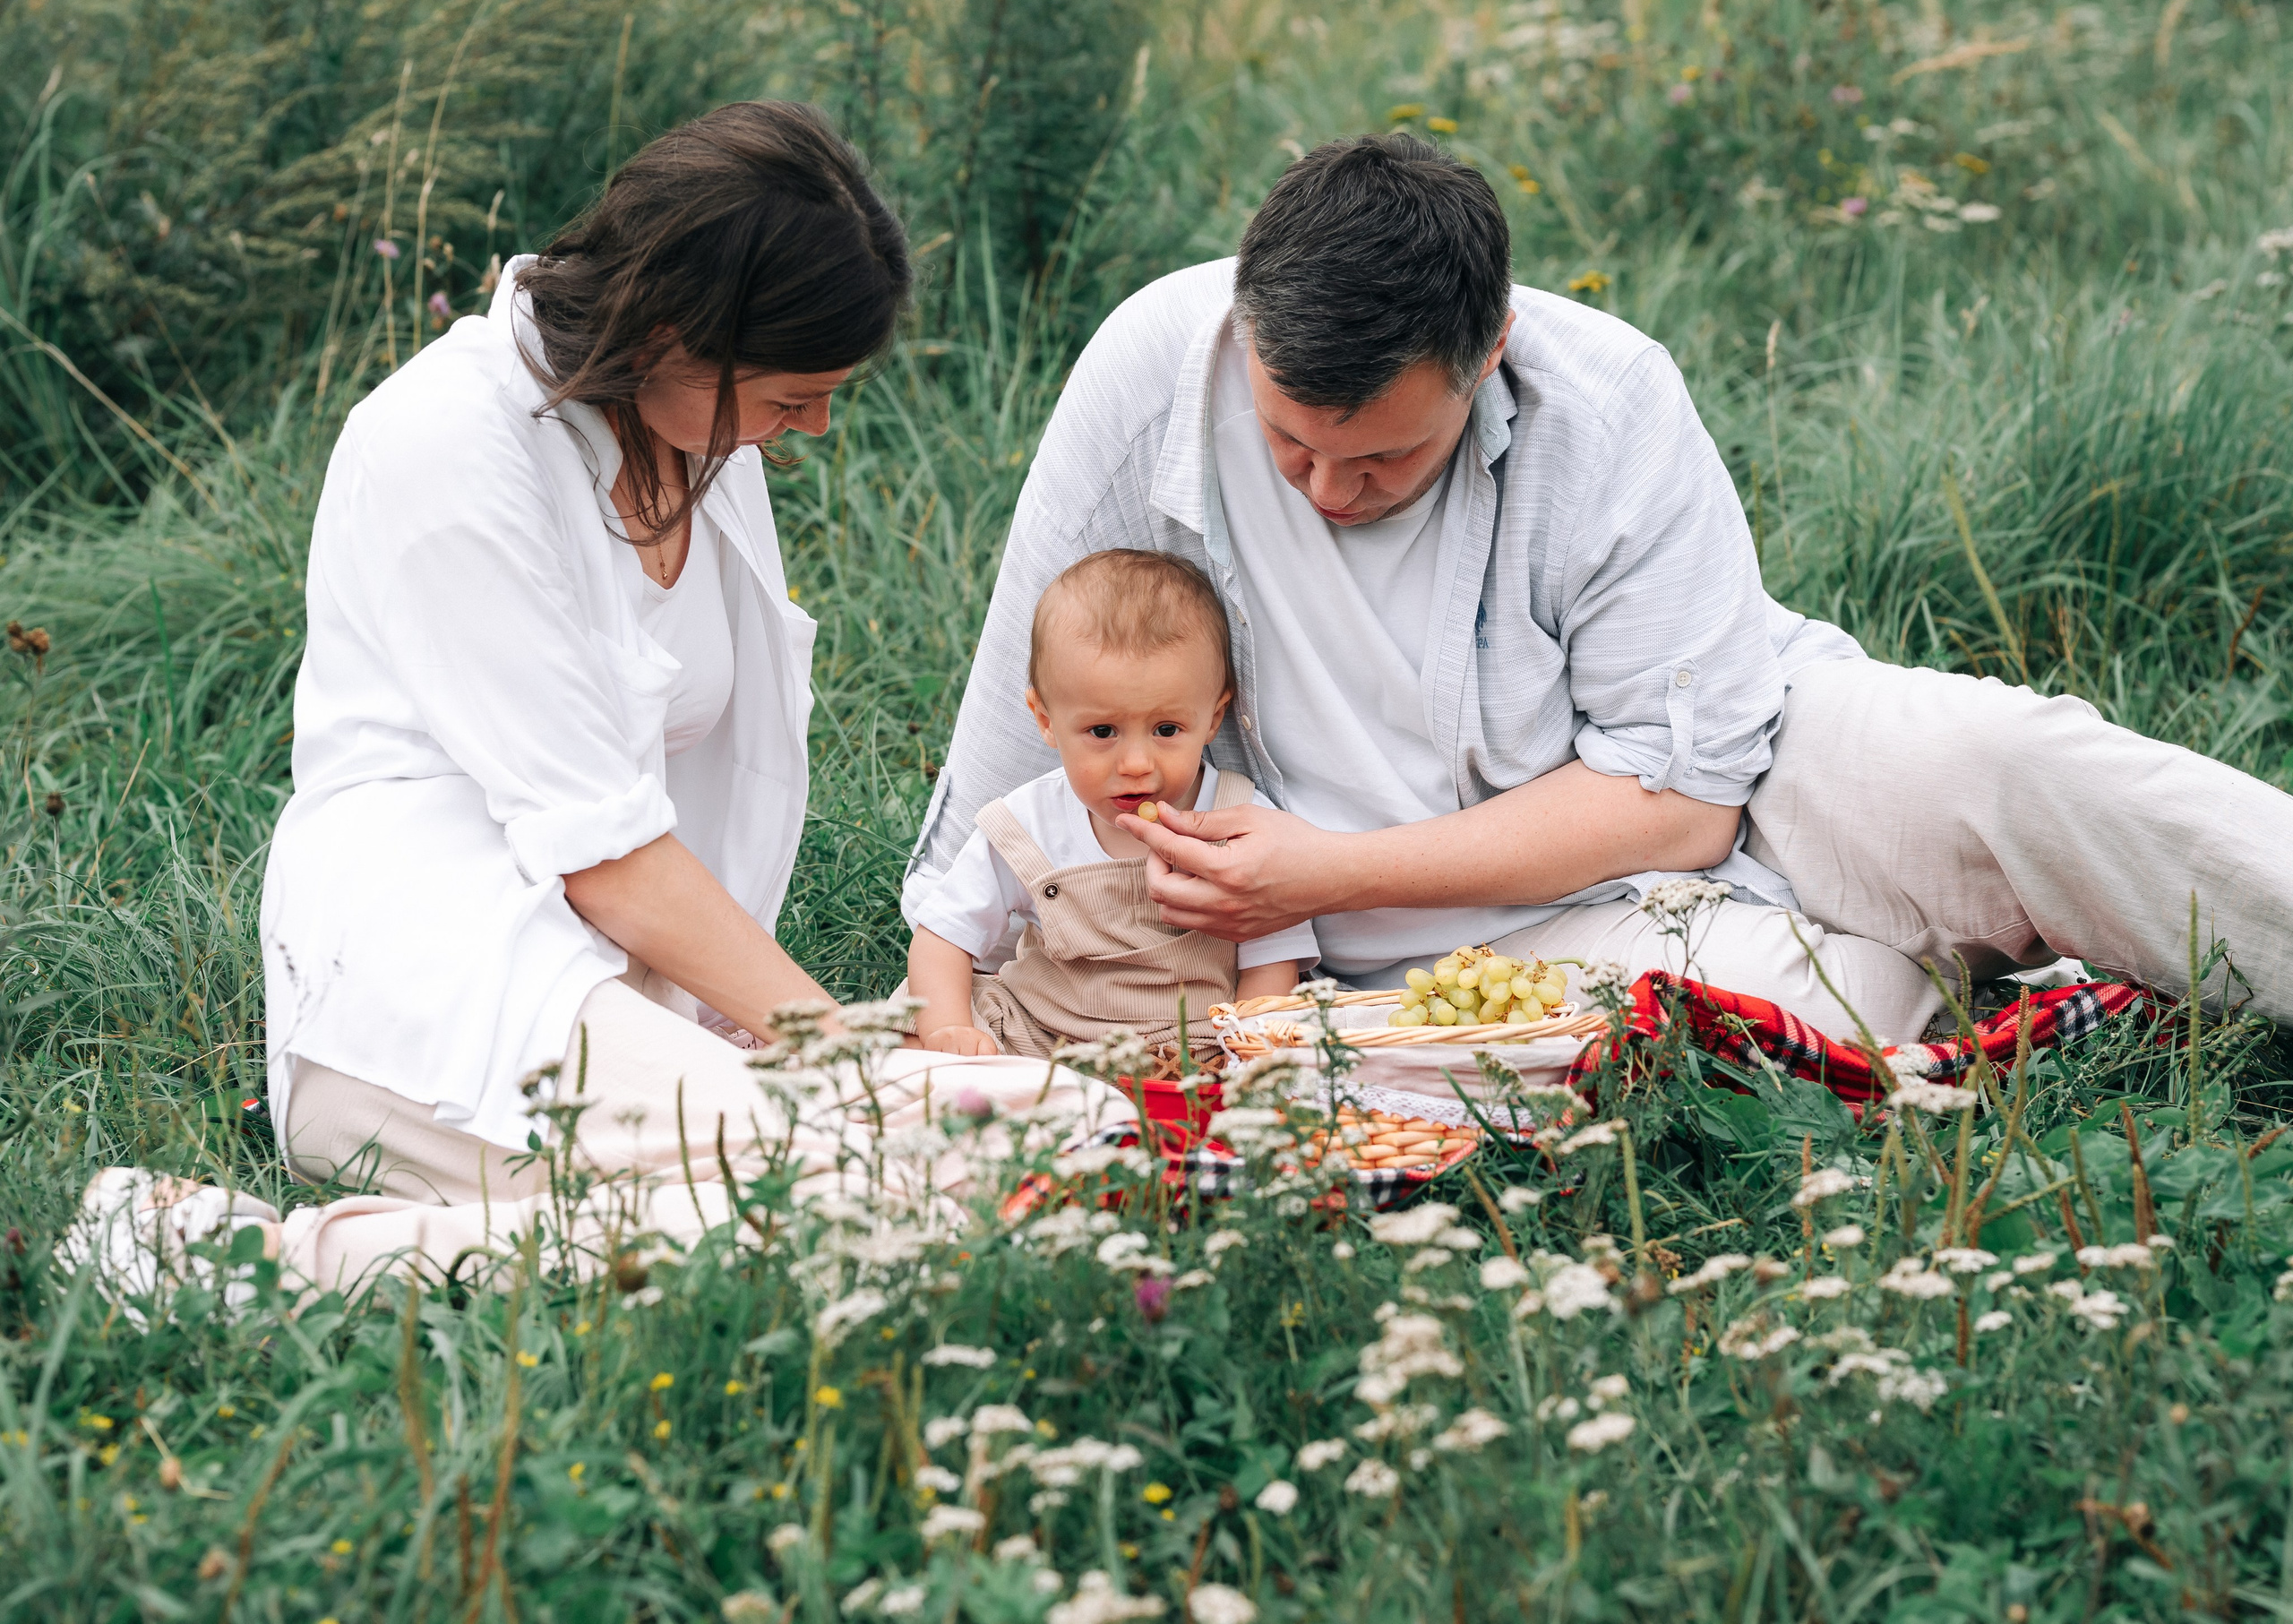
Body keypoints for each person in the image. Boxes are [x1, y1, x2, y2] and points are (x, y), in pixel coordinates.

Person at [73, 102, 1133, 1306]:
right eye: (796, 394)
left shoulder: (693, 437)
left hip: (641, 982)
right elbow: (605, 854)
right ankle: (252, 1259)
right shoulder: (445, 442)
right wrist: (834, 1046)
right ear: (677, 332)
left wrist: (773, 1029)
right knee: (878, 1179)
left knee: (1068, 1128)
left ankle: (572, 1210)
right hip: (439, 991)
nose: (817, 428)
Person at [906, 133, 2293, 1044]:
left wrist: (1327, 870)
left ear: (1491, 348)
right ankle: (1973, 968)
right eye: (1288, 448)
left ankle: (2070, 930)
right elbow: (1026, 716)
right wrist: (959, 967)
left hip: (1743, 762)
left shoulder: (1606, 393)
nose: (1328, 489)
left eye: (1382, 456)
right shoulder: (1156, 360)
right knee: (1838, 1008)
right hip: (1423, 938)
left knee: (2017, 765)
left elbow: (1686, 798)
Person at [907, 550, 1317, 1059]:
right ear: (1045, 719)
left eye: (1167, 730)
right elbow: (944, 934)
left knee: (1304, 1040)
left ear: (1213, 718)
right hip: (1042, 1032)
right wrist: (947, 1028)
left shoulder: (1239, 822)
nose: (1137, 763)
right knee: (911, 1017)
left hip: (1194, 1046)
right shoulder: (1030, 821)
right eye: (1102, 732)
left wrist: (1248, 1055)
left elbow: (1271, 964)